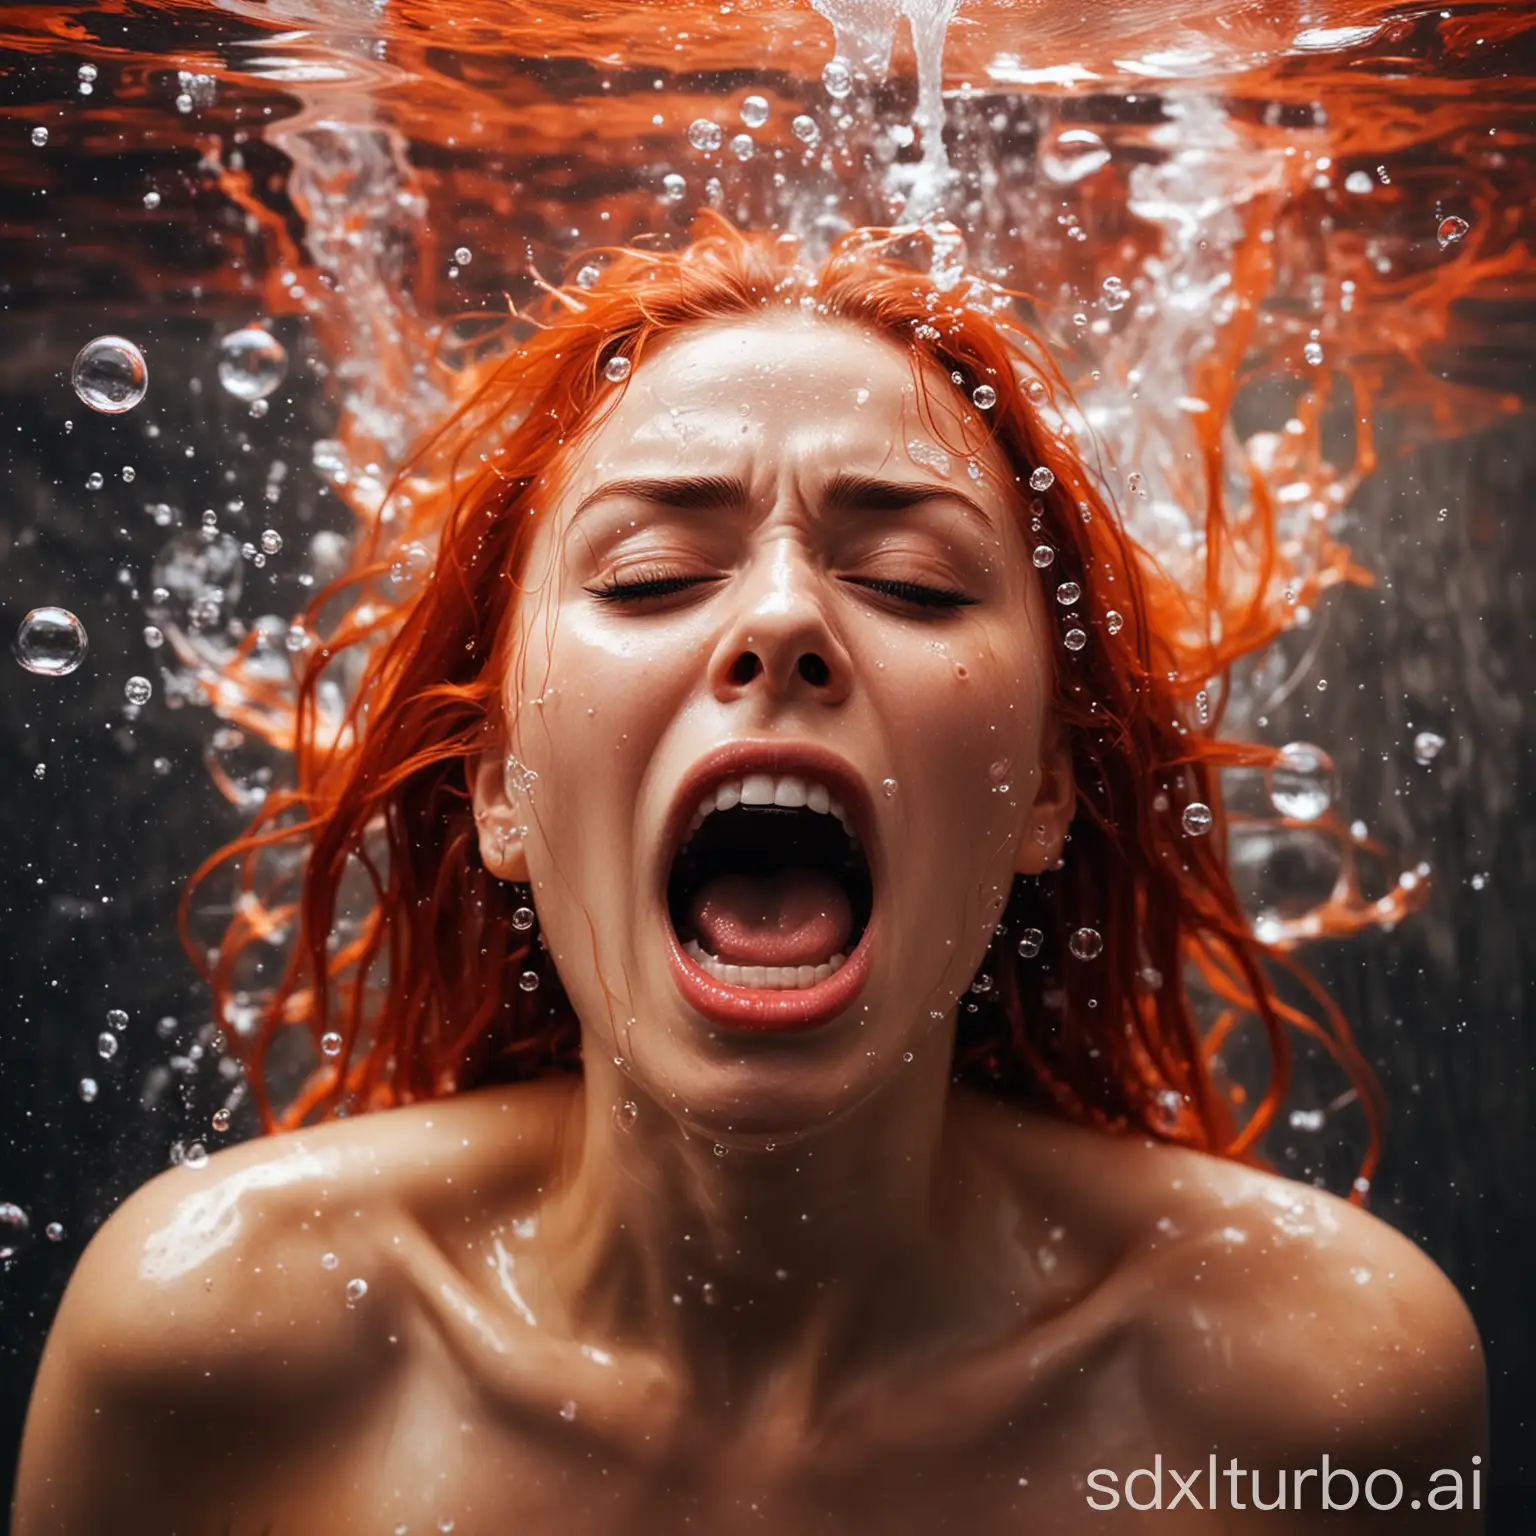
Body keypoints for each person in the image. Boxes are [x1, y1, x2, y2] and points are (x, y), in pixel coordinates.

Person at [15, 220, 1485, 1534]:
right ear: (498, 791)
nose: (783, 617)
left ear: (1046, 788)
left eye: (911, 581)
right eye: (651, 571)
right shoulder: (207, 1342)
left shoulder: (1317, 1396)